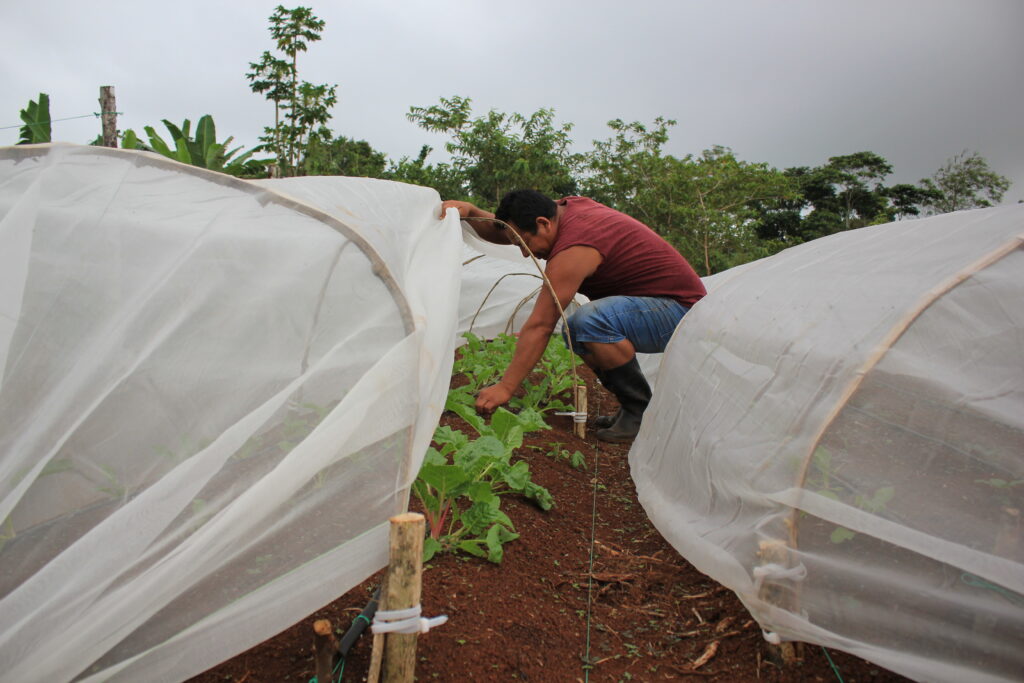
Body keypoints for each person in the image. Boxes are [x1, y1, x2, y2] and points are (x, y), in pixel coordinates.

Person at [441, 190, 705, 442]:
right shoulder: (565, 209)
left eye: (526, 243)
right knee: (579, 329)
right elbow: (507, 231)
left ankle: (639, 411)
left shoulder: (575, 247)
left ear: (543, 223)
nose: (525, 253)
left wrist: (505, 387)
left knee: (589, 322)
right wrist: (472, 212)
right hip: (658, 306)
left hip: (679, 313)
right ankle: (631, 407)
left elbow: (542, 324)